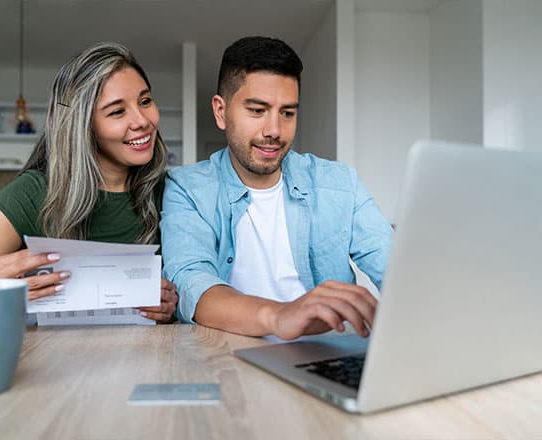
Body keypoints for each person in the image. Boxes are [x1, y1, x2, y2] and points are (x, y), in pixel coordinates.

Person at [160, 36, 392, 338]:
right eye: (257, 111)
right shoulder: (187, 188)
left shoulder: (338, 184)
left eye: (287, 113)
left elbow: (397, 270)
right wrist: (280, 315)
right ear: (221, 111)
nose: (274, 131)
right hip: (232, 354)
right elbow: (192, 284)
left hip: (329, 353)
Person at [0, 42, 177, 323]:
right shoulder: (31, 194)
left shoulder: (173, 192)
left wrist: (173, 305)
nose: (142, 121)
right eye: (117, 111)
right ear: (80, 125)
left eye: (145, 101)